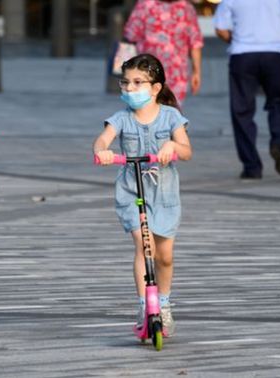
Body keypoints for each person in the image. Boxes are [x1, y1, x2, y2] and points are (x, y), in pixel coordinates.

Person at [93, 54, 192, 336]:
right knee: (143, 244)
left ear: (156, 87)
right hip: (131, 189)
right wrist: (102, 150)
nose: (130, 89)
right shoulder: (121, 118)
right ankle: (144, 304)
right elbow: (103, 138)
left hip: (164, 193)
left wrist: (172, 146)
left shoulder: (171, 117)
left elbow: (187, 151)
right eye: (125, 83)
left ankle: (164, 302)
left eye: (138, 83)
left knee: (165, 256)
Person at [213, 0, 280, 179]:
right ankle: (278, 144)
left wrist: (233, 39)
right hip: (276, 54)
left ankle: (252, 166)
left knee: (242, 111)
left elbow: (220, 28)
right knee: (279, 103)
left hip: (242, 55)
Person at [123, 0, 204, 104]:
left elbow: (131, 36)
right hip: (176, 74)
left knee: (147, 110)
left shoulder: (145, 5)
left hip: (147, 71)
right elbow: (195, 43)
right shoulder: (186, 8)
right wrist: (196, 72)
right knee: (172, 110)